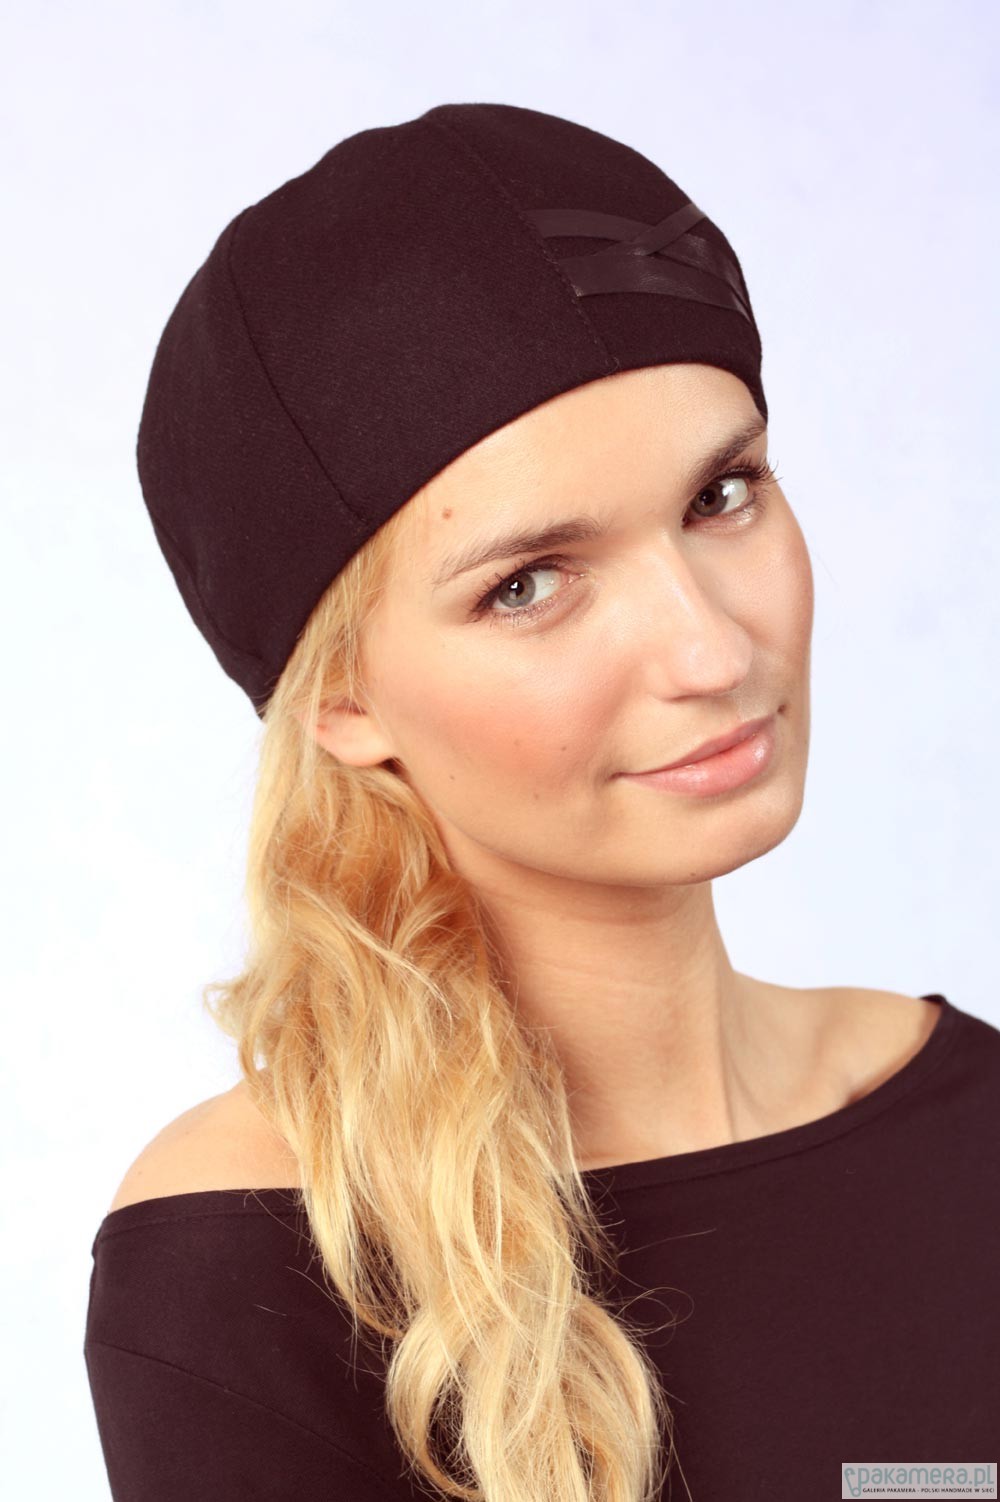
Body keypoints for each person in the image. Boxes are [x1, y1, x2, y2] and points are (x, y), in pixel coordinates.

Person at [83, 102, 1000, 1502]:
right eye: (528, 584)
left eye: (722, 495)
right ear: (342, 699)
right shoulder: (250, 1261)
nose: (711, 650)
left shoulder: (971, 1122)